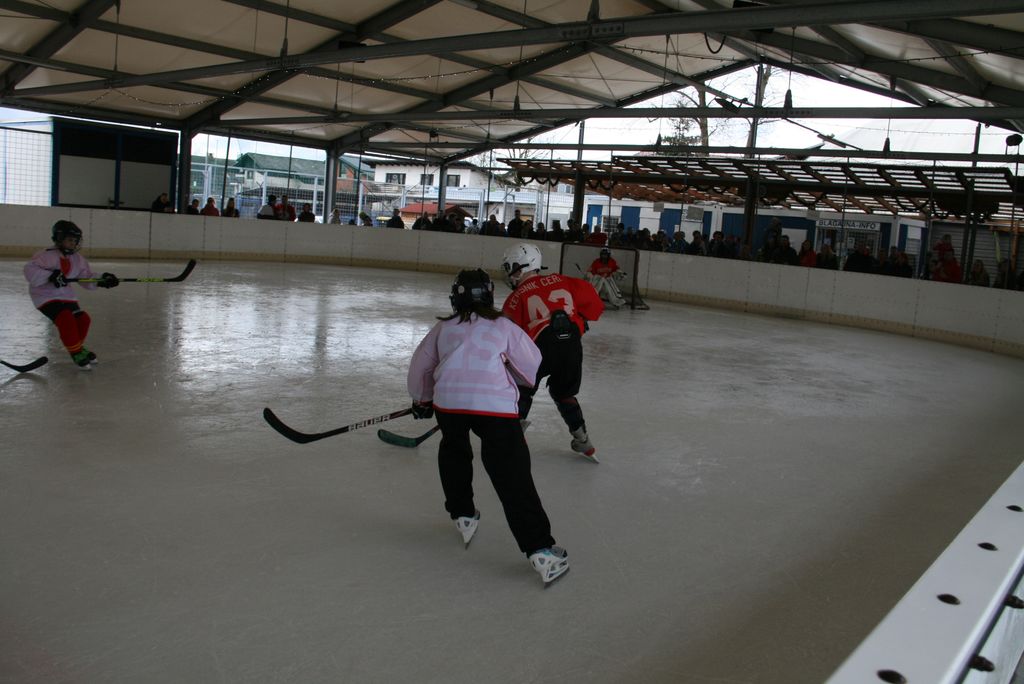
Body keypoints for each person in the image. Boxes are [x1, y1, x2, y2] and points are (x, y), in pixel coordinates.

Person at [407, 269, 569, 586]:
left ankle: (462, 514)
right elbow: (531, 366)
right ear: (490, 295)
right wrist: (516, 377)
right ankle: (540, 550)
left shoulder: (443, 328)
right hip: (495, 409)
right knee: (512, 475)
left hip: (449, 405)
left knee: (453, 451)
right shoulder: (504, 326)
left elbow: (420, 367)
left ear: (455, 297)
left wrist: (422, 399)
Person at [501, 243, 605, 461]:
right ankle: (583, 439)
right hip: (572, 346)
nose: (508, 273)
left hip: (539, 348)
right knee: (564, 393)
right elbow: (595, 306)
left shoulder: (516, 297)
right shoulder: (563, 280)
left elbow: (508, 335)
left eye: (510, 267)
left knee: (523, 389)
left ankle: (513, 435)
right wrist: (580, 320)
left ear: (521, 267)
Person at [23, 220, 119, 370]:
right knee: (65, 318)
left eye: (75, 240)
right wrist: (50, 276)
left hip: (66, 295)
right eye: (69, 240)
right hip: (45, 296)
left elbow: (85, 276)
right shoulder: (45, 255)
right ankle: (76, 352)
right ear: (59, 238)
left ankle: (77, 347)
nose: (73, 243)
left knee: (83, 319)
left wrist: (101, 280)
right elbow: (30, 270)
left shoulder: (78, 259)